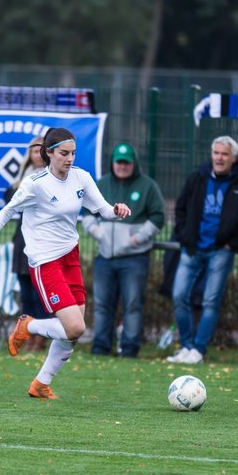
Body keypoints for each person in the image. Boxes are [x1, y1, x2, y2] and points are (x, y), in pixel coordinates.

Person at [0, 127, 131, 399]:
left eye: (73, 153)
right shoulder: (35, 183)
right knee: (75, 327)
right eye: (64, 153)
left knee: (73, 333)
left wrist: (116, 211)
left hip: (71, 256)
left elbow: (102, 209)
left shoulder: (81, 177)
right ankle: (28, 325)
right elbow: (7, 212)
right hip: (45, 262)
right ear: (49, 153)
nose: (70, 159)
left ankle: (41, 384)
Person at [167, 135, 238, 365]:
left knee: (211, 301)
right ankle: (186, 346)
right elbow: (180, 208)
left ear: (233, 158)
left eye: (224, 154)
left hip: (221, 250)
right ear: (211, 155)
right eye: (216, 153)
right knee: (179, 295)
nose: (219, 158)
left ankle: (198, 350)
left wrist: (233, 243)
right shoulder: (197, 178)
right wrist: (184, 236)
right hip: (192, 248)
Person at [82, 142, 165, 357]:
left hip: (134, 258)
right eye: (119, 162)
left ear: (133, 163)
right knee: (101, 305)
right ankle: (100, 347)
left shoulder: (147, 186)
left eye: (126, 162)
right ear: (113, 163)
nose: (122, 166)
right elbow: (88, 212)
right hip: (104, 256)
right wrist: (96, 231)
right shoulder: (102, 184)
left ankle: (129, 349)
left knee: (132, 305)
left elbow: (158, 216)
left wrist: (138, 237)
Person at [7, 136, 52, 322]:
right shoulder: (22, 177)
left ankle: (42, 334)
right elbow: (10, 202)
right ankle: (28, 334)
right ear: (29, 154)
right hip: (22, 240)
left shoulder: (53, 177)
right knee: (25, 295)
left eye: (41, 150)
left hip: (43, 241)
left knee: (39, 294)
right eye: (34, 151)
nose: (38, 154)